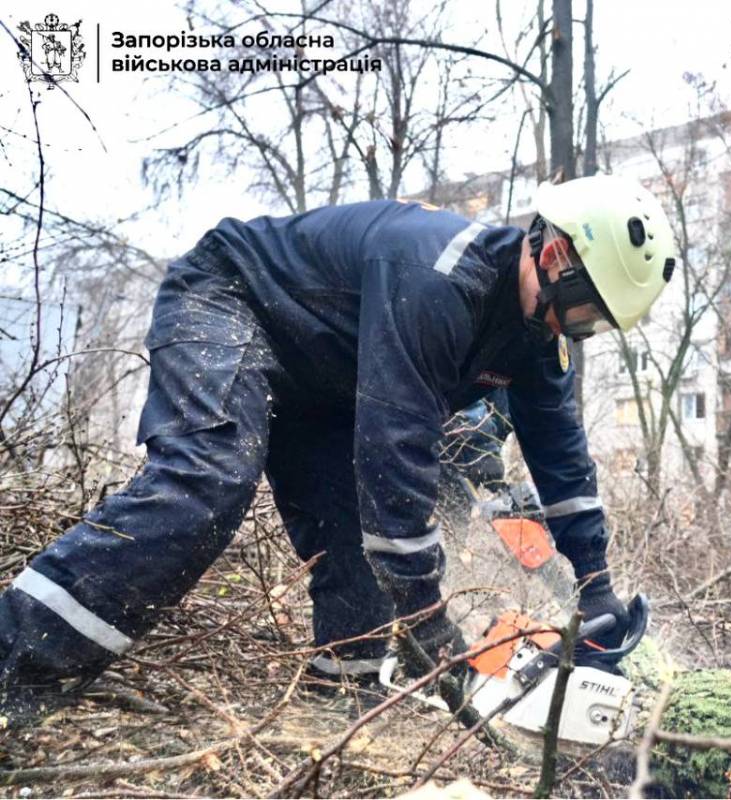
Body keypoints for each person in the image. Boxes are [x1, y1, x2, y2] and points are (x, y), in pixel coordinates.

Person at [0, 175, 676, 719]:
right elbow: (395, 451)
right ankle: (14, 659)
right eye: (584, 310)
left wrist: (596, 587)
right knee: (206, 485)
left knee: (356, 550)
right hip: (232, 299)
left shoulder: (540, 337)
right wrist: (428, 620)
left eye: (594, 324)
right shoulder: (439, 279)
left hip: (324, 378)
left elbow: (563, 459)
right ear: (554, 256)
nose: (576, 328)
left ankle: (338, 713)